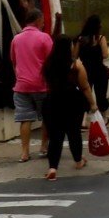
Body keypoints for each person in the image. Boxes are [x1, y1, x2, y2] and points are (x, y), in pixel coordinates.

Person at [40, 32, 95, 179]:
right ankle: (78, 160)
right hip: (72, 102)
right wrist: (92, 104)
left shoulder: (48, 64)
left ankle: (52, 168)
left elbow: (46, 82)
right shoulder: (75, 65)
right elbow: (85, 86)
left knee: (55, 136)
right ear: (69, 47)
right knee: (73, 133)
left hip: (52, 102)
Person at [10, 13, 53, 163]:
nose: (43, 23)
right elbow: (50, 61)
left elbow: (14, 62)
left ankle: (24, 152)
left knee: (25, 119)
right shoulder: (44, 38)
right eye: (42, 20)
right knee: (47, 117)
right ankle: (43, 147)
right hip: (42, 85)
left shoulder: (16, 39)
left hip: (22, 86)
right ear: (37, 20)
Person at [78, 13, 109, 119]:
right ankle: (103, 116)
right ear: (97, 26)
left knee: (85, 93)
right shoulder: (101, 38)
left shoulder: (80, 39)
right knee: (101, 94)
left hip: (85, 70)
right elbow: (105, 54)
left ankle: (83, 119)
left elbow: (74, 55)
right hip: (99, 70)